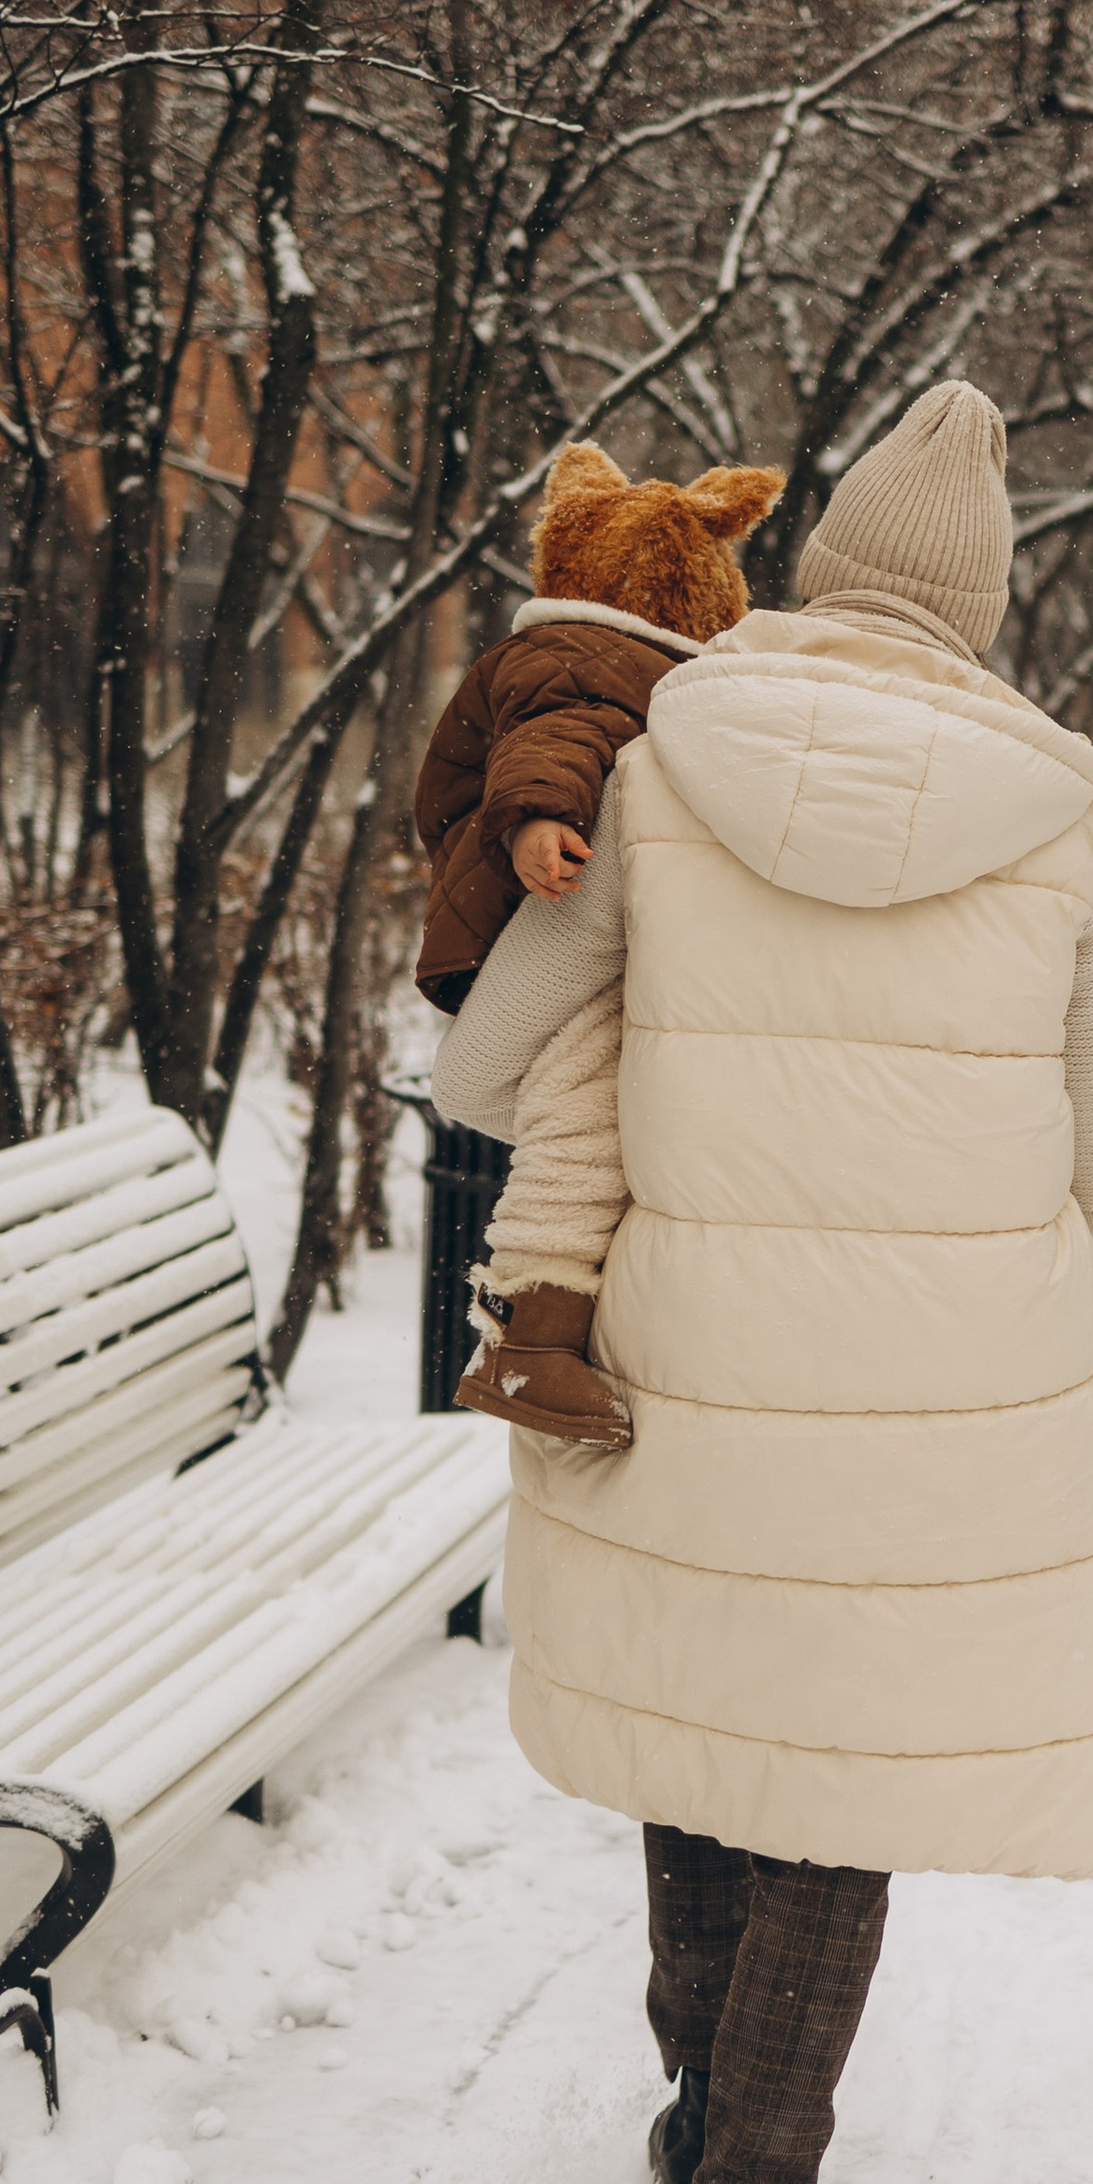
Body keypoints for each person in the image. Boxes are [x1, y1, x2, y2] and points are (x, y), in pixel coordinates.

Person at [432, 380, 1093, 2184]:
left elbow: (487, 1068)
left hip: (695, 1346)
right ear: (980, 610)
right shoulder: (1048, 822)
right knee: (841, 1784)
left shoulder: (667, 764)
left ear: (820, 570)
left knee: (709, 1715)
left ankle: (696, 2107)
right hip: (947, 1387)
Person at [412, 442, 779, 1449]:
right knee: (582, 1115)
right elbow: (554, 747)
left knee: (589, 1108)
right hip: (540, 899)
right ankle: (529, 1343)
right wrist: (538, 822)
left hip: (531, 903)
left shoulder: (589, 659)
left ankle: (545, 1330)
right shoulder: (594, 661)